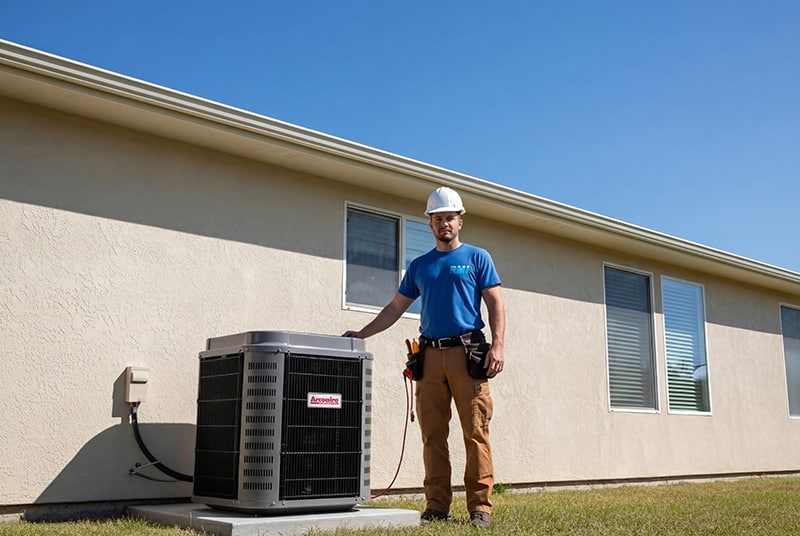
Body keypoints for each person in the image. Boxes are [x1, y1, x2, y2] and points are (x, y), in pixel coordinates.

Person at [343, 186, 505, 528]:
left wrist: (498, 346)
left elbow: (495, 304)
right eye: (438, 218)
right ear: (430, 224)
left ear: (460, 222)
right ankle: (437, 506)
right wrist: (362, 334)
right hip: (429, 357)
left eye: (450, 217)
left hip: (468, 353)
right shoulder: (419, 266)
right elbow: (395, 308)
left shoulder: (478, 258)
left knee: (475, 433)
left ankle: (480, 508)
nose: (444, 223)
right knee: (432, 436)